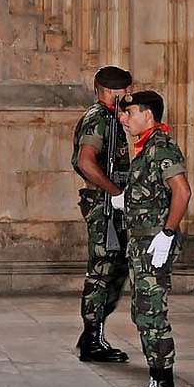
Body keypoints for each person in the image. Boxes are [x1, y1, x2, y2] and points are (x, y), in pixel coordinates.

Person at [116, 90, 191, 387]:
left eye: (129, 112)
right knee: (144, 312)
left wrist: (167, 233)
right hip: (142, 243)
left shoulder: (161, 146)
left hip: (153, 244)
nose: (124, 118)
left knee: (152, 315)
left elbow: (182, 191)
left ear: (148, 114)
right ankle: (159, 385)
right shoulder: (147, 147)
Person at [71, 66, 132, 364]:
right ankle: (92, 339)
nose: (128, 97)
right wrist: (115, 192)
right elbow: (85, 162)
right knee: (101, 270)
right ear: (110, 91)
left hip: (110, 200)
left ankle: (92, 332)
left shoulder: (112, 118)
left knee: (116, 268)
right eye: (124, 92)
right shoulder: (98, 118)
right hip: (102, 203)